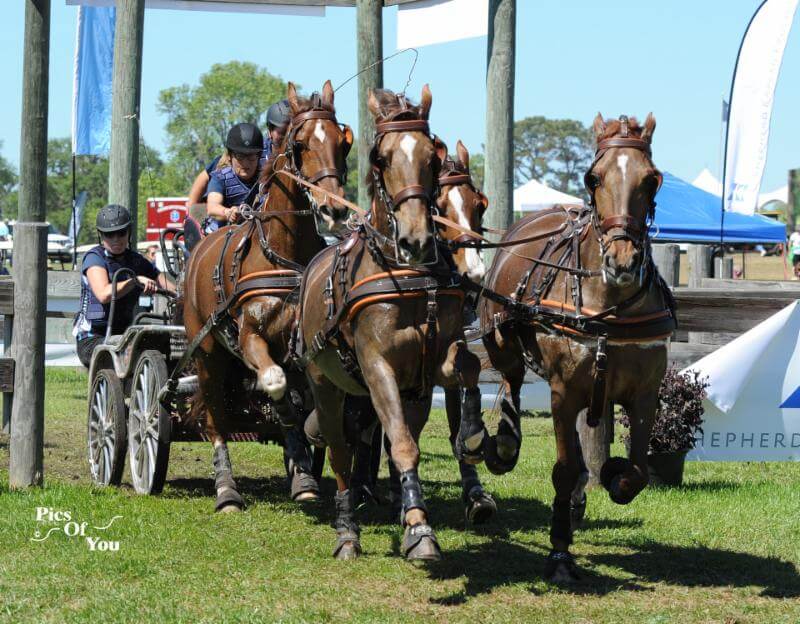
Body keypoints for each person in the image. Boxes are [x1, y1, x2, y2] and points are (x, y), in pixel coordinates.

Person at [73, 205, 173, 368]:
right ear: (101, 235)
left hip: (125, 335)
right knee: (129, 352)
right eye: (109, 234)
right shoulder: (94, 258)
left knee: (164, 341)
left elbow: (168, 285)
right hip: (92, 338)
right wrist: (134, 281)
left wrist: (185, 293)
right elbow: (104, 294)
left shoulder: (136, 260)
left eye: (121, 233)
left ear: (129, 232)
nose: (116, 239)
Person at [185, 100, 291, 207]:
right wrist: (191, 209)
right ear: (269, 131)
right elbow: (206, 176)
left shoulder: (299, 155)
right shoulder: (254, 148)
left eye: (292, 131)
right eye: (282, 131)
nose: (288, 136)